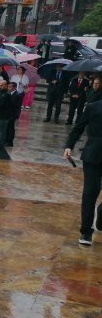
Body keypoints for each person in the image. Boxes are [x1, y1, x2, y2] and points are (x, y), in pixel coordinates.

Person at [65, 98, 102, 245]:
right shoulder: (93, 107)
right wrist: (69, 146)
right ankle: (86, 232)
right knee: (90, 192)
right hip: (93, 156)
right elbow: (78, 127)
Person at [5, 81, 24, 147]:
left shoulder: (17, 95)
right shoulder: (8, 93)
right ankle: (6, 139)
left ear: (14, 88)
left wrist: (16, 115)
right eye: (8, 87)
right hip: (7, 113)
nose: (8, 88)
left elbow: (18, 106)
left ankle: (10, 141)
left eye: (10, 87)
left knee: (10, 128)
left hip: (12, 114)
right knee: (7, 127)